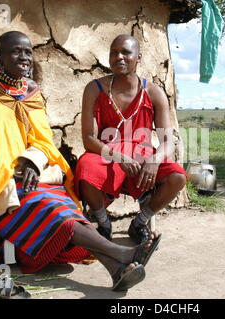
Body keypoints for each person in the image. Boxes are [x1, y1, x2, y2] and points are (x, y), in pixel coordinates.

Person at [0, 31, 159, 292]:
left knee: (66, 207)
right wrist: (14, 168)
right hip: (0, 181)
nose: (24, 57)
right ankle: (122, 253)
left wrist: (33, 160)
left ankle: (116, 269)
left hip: (36, 175)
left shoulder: (31, 94)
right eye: (16, 51)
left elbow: (43, 140)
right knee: (53, 209)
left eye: (28, 52)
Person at [75, 34, 187, 244]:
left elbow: (167, 140)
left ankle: (139, 223)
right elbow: (89, 138)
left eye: (126, 52)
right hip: (108, 154)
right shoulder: (94, 89)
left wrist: (154, 161)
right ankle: (103, 222)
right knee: (84, 167)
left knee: (178, 177)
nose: (119, 57)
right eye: (114, 53)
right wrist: (118, 157)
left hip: (142, 156)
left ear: (139, 57)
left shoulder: (154, 92)